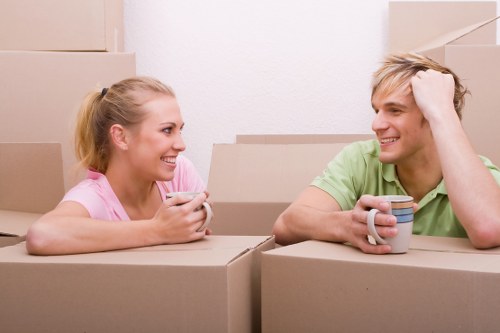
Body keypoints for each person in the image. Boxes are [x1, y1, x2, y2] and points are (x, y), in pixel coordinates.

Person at [273, 52, 500, 253]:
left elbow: (489, 229)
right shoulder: (360, 159)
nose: (377, 124)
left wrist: (443, 109)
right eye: (377, 110)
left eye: (395, 110)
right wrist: (346, 225)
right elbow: (286, 225)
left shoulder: (478, 175)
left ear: (432, 117)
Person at [26, 76, 211, 255]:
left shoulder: (180, 172)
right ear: (121, 137)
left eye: (180, 130)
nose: (181, 145)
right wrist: (158, 230)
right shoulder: (94, 197)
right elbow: (41, 235)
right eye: (167, 130)